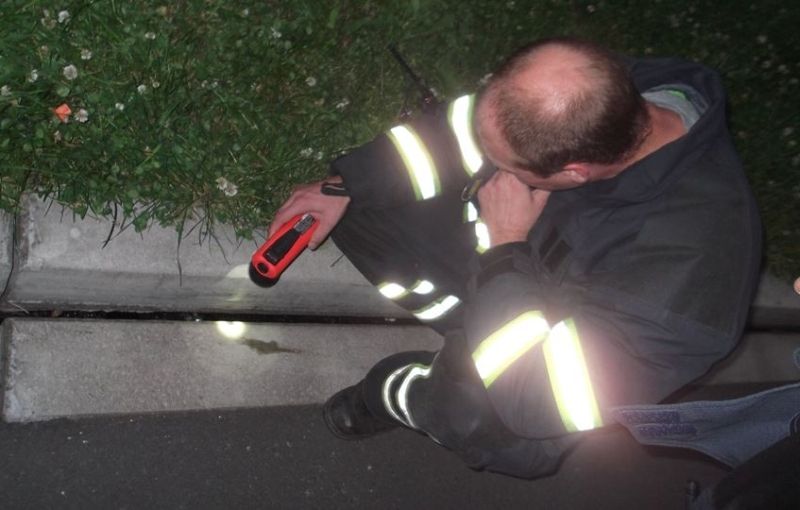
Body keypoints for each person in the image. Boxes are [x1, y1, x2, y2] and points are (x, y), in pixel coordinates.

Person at [269, 36, 762, 479]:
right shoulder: (594, 91)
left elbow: (537, 398)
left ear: (575, 173)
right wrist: (350, 182)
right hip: (508, 264)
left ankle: (393, 391)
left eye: (508, 167)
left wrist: (505, 247)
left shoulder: (689, 284)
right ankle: (463, 324)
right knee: (361, 207)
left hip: (545, 348)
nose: (489, 165)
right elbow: (464, 129)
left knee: (487, 426)